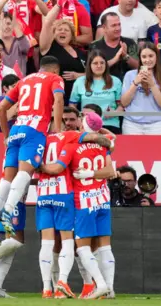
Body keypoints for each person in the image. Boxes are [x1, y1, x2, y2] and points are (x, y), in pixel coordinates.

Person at [0, 56, 64, 243]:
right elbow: (59, 100)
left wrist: (5, 136)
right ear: (55, 70)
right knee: (26, 172)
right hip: (34, 129)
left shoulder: (24, 81)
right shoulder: (54, 79)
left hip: (16, 129)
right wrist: (58, 129)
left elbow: (0, 109)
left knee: (7, 177)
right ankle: (7, 211)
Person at [36, 112, 113, 299]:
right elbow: (110, 165)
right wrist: (100, 133)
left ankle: (49, 287)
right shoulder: (94, 144)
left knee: (49, 243)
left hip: (49, 194)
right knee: (83, 244)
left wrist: (40, 167)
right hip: (91, 198)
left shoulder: (42, 139)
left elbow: (56, 167)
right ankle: (102, 286)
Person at [39, 4, 87, 102]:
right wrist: (59, 5)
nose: (63, 32)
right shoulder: (48, 47)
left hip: (78, 97)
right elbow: (47, 22)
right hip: (54, 95)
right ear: (53, 34)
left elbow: (94, 73)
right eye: (59, 30)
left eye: (66, 30)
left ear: (72, 35)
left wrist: (78, 75)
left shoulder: (81, 52)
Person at [120, 43, 161, 135]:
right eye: (144, 57)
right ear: (140, 58)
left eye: (151, 56)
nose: (147, 60)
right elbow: (124, 102)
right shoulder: (130, 75)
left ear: (157, 57)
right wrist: (135, 83)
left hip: (156, 125)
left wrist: (152, 85)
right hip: (131, 124)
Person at [70, 50, 123, 133]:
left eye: (102, 63)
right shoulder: (80, 81)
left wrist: (114, 113)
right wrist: (80, 116)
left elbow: (122, 106)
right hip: (87, 125)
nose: (99, 66)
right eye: (95, 63)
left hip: (110, 125)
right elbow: (72, 105)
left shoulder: (116, 81)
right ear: (89, 65)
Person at [90, 12, 139, 80]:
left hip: (128, 86)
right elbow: (91, 71)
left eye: (119, 24)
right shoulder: (94, 46)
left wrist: (125, 56)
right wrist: (115, 59)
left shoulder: (129, 42)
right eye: (114, 25)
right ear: (104, 27)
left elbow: (139, 66)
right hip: (104, 87)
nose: (118, 28)